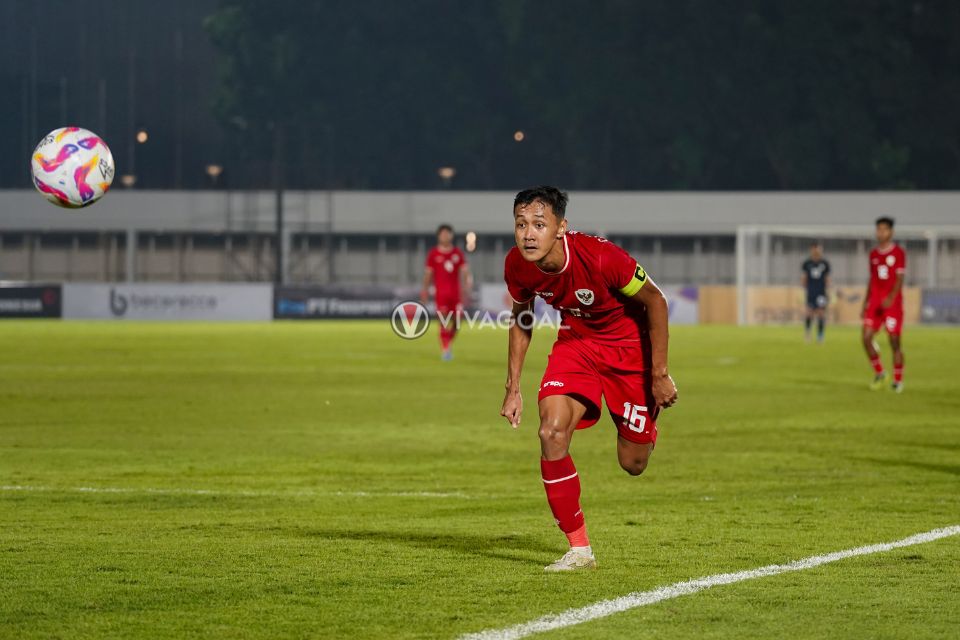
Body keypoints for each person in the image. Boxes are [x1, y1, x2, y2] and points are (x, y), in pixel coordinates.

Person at [499, 186, 678, 572]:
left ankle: (646, 428)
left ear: (561, 228)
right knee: (551, 433)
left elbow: (655, 301)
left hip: (629, 349)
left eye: (539, 224)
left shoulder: (600, 257)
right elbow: (522, 317)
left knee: (633, 463)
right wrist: (513, 388)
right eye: (520, 224)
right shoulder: (517, 264)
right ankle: (579, 549)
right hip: (576, 344)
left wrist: (659, 374)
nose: (528, 233)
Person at [861, 217, 906, 392]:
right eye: (878, 229)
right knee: (865, 338)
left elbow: (900, 278)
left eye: (884, 229)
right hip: (875, 303)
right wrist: (866, 301)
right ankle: (880, 373)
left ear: (891, 232)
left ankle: (898, 380)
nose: (881, 233)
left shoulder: (898, 253)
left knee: (894, 341)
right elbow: (872, 279)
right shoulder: (873, 254)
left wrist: (891, 298)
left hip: (892, 304)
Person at [421, 224, 472, 360]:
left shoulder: (457, 253)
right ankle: (446, 349)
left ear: (451, 235)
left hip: (456, 294)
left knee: (457, 321)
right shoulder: (433, 254)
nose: (445, 236)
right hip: (441, 294)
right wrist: (425, 291)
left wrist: (467, 286)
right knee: (443, 321)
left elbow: (465, 271)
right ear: (438, 236)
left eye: (447, 233)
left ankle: (447, 342)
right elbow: (428, 274)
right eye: (442, 234)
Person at [801, 242, 831, 343]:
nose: (816, 251)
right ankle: (808, 333)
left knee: (821, 313)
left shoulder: (825, 264)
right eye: (814, 249)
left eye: (818, 249)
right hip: (811, 292)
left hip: (821, 292)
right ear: (811, 250)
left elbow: (827, 279)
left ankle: (820, 335)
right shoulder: (807, 263)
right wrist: (806, 288)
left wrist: (828, 290)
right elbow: (804, 278)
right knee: (809, 313)